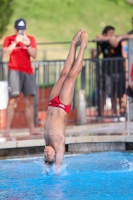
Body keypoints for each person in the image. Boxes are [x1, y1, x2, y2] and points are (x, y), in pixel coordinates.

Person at [44, 30, 88, 173]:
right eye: (48, 155)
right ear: (55, 155)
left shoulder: (47, 143)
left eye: (45, 155)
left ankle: (73, 44)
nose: (46, 153)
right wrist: (56, 170)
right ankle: (83, 47)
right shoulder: (59, 144)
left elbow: (45, 167)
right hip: (62, 105)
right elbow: (58, 166)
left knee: (64, 73)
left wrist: (45, 170)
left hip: (52, 103)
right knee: (71, 76)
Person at [2, 18, 41, 136]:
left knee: (30, 100)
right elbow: (4, 54)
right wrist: (15, 42)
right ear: (15, 29)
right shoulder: (9, 39)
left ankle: (32, 129)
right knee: (12, 99)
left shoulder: (31, 39)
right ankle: (7, 130)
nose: (20, 32)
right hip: (14, 70)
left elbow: (34, 55)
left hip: (28, 71)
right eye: (19, 29)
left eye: (22, 30)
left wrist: (27, 44)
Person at [91, 26, 127, 121]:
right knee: (112, 93)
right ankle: (115, 113)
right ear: (105, 33)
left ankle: (122, 112)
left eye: (113, 33)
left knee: (120, 93)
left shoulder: (119, 41)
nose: (112, 35)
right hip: (107, 71)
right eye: (110, 33)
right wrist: (92, 53)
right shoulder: (103, 44)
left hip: (119, 70)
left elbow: (124, 54)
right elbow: (97, 39)